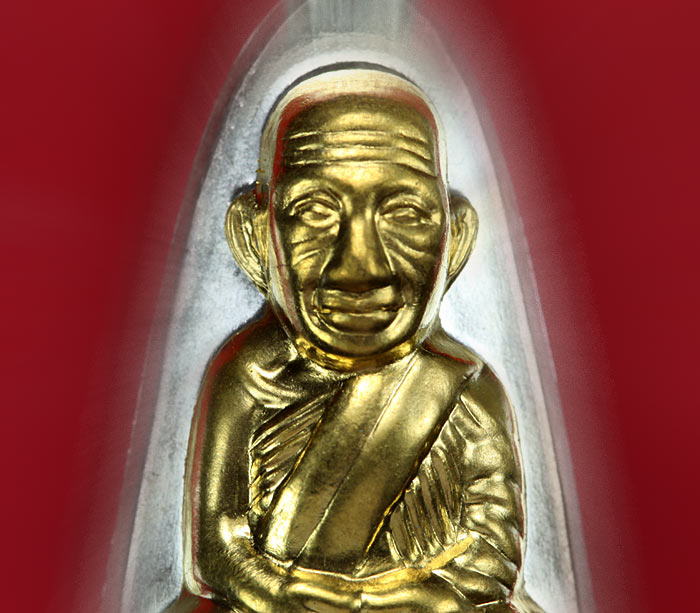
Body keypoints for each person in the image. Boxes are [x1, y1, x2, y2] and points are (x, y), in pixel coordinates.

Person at [171, 69, 541, 613]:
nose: (359, 269)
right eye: (315, 211)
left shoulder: (463, 388)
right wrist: (276, 591)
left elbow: (493, 554)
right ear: (255, 238)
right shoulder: (249, 375)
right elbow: (219, 546)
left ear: (455, 237)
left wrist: (419, 598)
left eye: (404, 213)